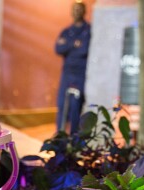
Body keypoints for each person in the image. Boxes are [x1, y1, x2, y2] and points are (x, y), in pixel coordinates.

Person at [55, 1, 91, 133]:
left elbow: (84, 49)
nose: (76, 12)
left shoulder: (88, 30)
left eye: (79, 9)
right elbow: (58, 48)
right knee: (62, 105)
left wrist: (68, 45)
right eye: (74, 9)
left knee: (76, 107)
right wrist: (74, 44)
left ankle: (74, 139)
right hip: (66, 74)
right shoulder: (66, 31)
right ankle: (59, 138)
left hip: (81, 74)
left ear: (84, 11)